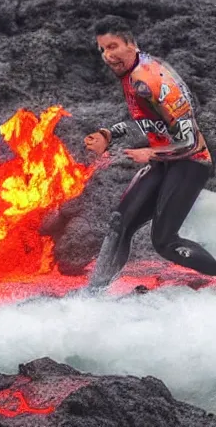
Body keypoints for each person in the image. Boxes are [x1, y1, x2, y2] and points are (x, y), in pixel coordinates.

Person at [82, 15, 216, 289]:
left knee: (164, 242)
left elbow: (190, 141)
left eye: (113, 46)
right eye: (102, 50)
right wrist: (109, 134)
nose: (107, 56)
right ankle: (93, 296)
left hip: (191, 163)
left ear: (131, 44)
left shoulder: (150, 79)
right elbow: (147, 124)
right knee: (120, 225)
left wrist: (150, 155)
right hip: (165, 160)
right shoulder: (132, 76)